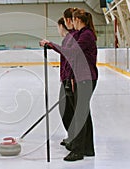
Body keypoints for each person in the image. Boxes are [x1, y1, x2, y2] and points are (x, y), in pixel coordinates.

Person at [40, 8, 98, 161]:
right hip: (80, 78)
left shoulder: (86, 35)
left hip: (85, 78)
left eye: (73, 19)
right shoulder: (80, 34)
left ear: (77, 20)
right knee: (83, 115)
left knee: (80, 115)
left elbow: (71, 52)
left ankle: (78, 151)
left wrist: (51, 45)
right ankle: (87, 147)